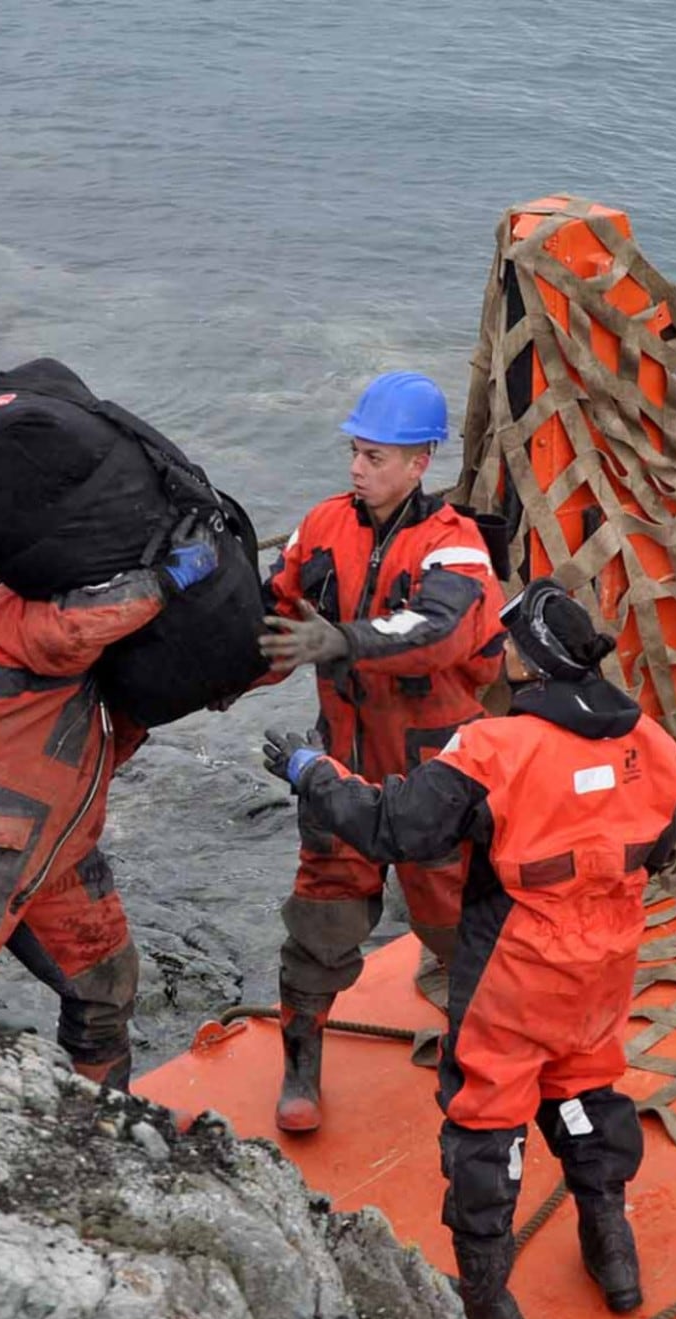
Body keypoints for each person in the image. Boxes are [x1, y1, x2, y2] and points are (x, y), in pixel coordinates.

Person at [261, 578, 676, 1319]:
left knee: (487, 1124)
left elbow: (398, 827)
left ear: (525, 664)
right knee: (586, 1091)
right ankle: (611, 1248)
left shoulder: (497, 747)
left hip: (514, 973)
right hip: (603, 967)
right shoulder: (650, 741)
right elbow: (664, 842)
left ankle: (488, 1300)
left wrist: (312, 774)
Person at [0, 522, 221, 1090]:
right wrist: (166, 580)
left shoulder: (101, 632)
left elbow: (149, 689)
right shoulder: (23, 608)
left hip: (60, 846)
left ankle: (100, 1120)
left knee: (106, 982)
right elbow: (70, 632)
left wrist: (260, 645)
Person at [257, 370, 503, 1133]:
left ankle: (483, 1063)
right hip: (341, 767)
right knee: (319, 922)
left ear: (419, 461)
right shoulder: (321, 525)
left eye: (374, 455)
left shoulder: (457, 549)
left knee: (461, 927)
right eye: (356, 452)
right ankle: (302, 1066)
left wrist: (343, 639)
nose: (357, 468)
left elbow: (434, 630)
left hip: (436, 779)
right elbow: (275, 611)